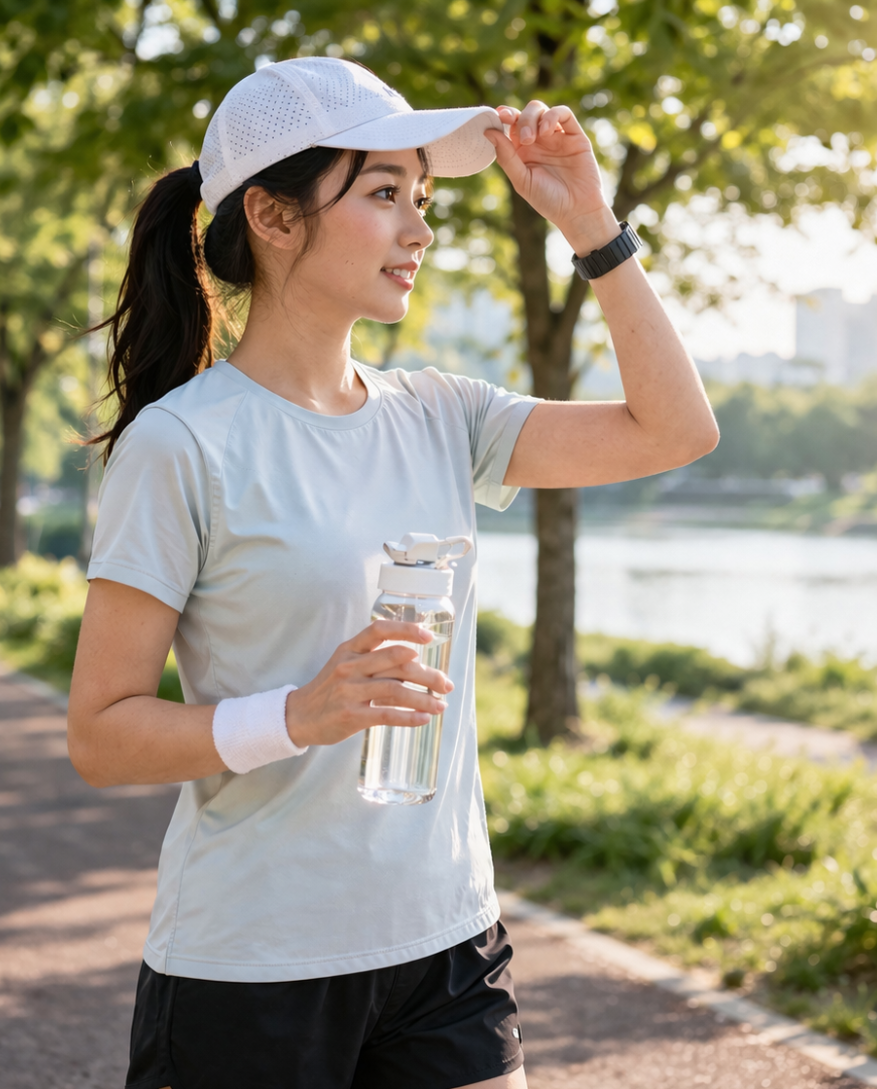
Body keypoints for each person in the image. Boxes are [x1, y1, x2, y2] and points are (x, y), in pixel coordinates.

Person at [67, 56, 718, 1089]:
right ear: (275, 219)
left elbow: (674, 430)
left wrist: (592, 226)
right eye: (383, 194)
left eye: (422, 198)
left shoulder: (442, 414)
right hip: (253, 967)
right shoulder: (182, 445)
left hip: (445, 945)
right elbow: (101, 735)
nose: (420, 228)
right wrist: (299, 715)